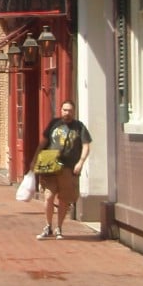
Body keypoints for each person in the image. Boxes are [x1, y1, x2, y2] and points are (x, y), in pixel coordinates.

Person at [36, 101, 92, 240]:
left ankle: (59, 227)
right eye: (65, 110)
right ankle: (48, 226)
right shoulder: (54, 124)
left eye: (70, 110)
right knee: (48, 197)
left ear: (74, 112)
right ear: (60, 110)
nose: (67, 113)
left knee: (64, 200)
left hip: (69, 167)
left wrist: (81, 162)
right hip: (51, 166)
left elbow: (86, 145)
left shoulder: (79, 127)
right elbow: (45, 143)